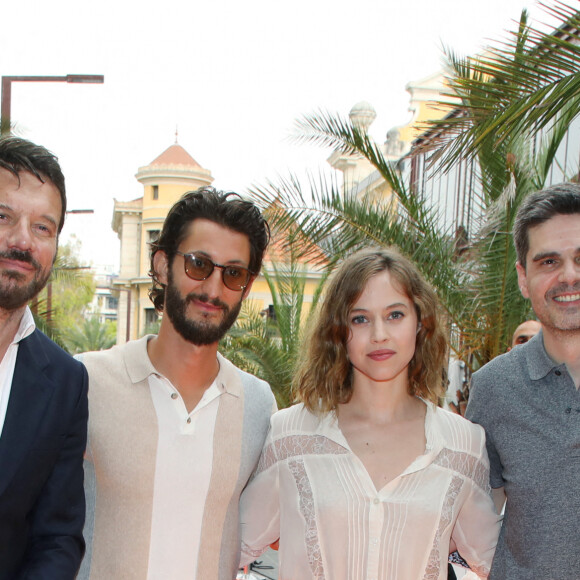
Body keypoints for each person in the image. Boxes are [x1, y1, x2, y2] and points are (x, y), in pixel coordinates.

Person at [240, 247, 500, 579]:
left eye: (395, 315)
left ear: (420, 323)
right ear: (338, 332)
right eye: (360, 318)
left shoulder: (464, 445)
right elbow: (227, 546)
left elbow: (497, 562)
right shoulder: (290, 435)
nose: (379, 335)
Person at [79, 187, 275, 580]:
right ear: (163, 265)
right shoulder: (87, 381)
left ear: (247, 286)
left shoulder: (257, 404)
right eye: (199, 264)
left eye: (233, 273)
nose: (213, 289)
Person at [466, 182, 580, 578]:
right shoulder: (494, 389)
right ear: (522, 276)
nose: (569, 276)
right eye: (549, 262)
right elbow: (473, 518)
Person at [0, 136, 88, 579]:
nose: (21, 241)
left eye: (42, 228)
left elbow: (57, 536)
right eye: (4, 216)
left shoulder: (66, 382)